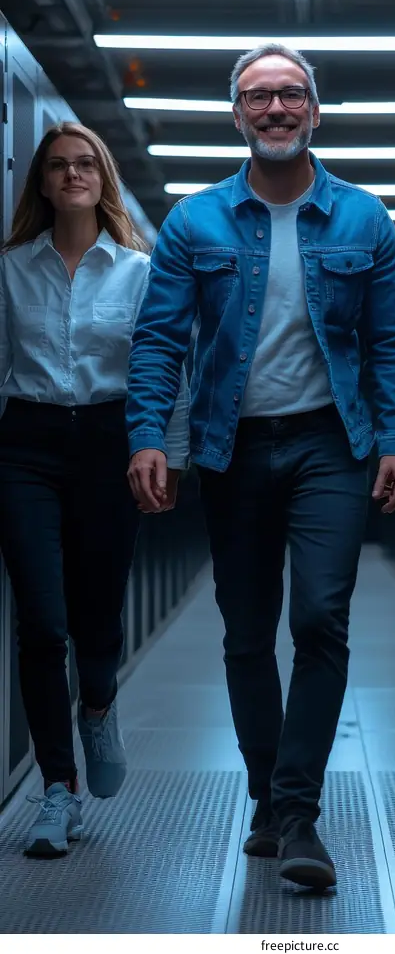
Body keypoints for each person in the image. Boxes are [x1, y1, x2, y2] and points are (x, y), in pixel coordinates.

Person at [126, 43, 395, 890]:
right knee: (248, 631)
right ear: (238, 115)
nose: (277, 108)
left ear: (316, 112)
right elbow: (158, 340)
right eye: (259, 97)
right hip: (233, 445)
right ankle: (268, 795)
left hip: (332, 441)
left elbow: (392, 342)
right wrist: (151, 434)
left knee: (321, 616)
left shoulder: (365, 219)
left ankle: (297, 813)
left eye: (292, 95)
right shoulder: (194, 222)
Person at [0, 122, 190, 858]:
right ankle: (59, 787)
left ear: (101, 177)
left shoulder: (139, 270)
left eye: (85, 164)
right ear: (42, 182)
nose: (72, 175)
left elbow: (166, 372)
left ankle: (100, 703)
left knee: (97, 613)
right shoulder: (11, 269)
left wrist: (167, 459)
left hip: (112, 443)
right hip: (27, 445)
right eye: (58, 166)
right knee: (42, 621)